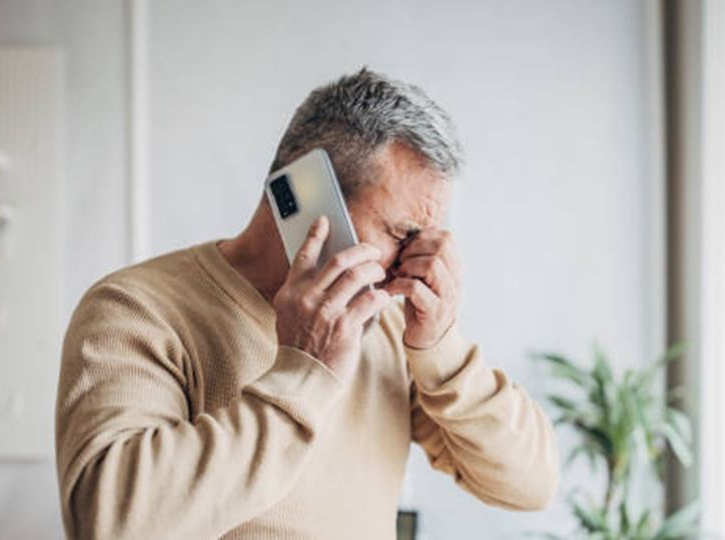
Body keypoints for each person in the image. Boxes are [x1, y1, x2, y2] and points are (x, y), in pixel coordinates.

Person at [55, 68, 559, 540]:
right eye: (401, 234)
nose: (415, 265)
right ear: (304, 192)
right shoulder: (136, 309)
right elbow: (110, 521)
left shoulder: (385, 330)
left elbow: (530, 484)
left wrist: (441, 349)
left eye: (426, 239)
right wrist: (305, 371)